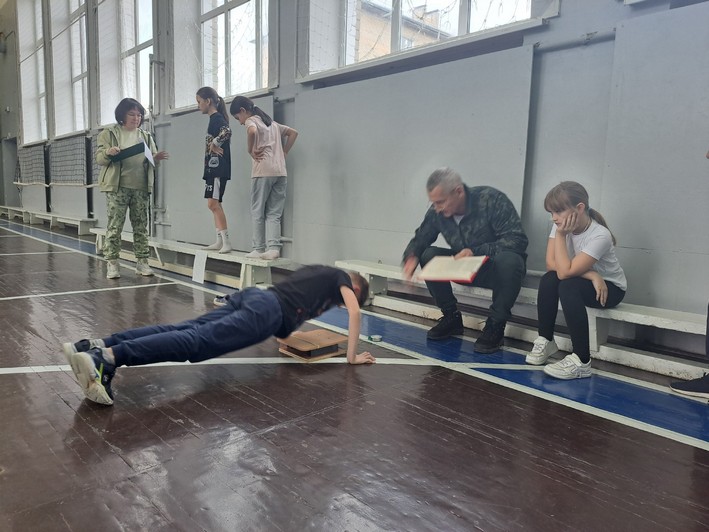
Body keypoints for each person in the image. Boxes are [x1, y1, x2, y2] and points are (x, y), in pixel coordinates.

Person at [62, 265, 376, 405]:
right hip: (265, 311)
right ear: (354, 287)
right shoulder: (339, 277)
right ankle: (106, 359)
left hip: (256, 298)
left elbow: (285, 320)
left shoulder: (316, 275)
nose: (340, 303)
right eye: (345, 297)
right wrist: (351, 358)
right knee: (197, 343)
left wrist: (288, 338)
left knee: (184, 329)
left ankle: (97, 345)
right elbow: (355, 312)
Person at [402, 167, 528, 353]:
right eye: (433, 203)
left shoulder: (491, 200)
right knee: (428, 254)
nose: (437, 208)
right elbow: (421, 238)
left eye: (441, 202)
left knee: (511, 260)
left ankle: (495, 325)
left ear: (458, 191)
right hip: (464, 268)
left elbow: (517, 240)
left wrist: (475, 251)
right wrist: (410, 258)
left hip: (495, 271)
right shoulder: (437, 210)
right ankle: (451, 317)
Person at [526, 181, 627, 380]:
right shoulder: (559, 227)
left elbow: (565, 273)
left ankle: (582, 361)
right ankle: (546, 340)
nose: (554, 218)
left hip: (609, 289)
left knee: (567, 285)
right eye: (551, 212)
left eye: (558, 211)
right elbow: (551, 264)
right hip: (590, 281)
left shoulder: (600, 235)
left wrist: (561, 236)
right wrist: (592, 274)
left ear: (579, 208)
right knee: (549, 279)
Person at [96, 98, 169, 279]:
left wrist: (156, 158)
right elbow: (99, 159)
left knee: (141, 226)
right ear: (122, 115)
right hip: (117, 187)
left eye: (139, 115)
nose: (136, 118)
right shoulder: (109, 133)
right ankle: (112, 263)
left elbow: (152, 160)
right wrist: (108, 152)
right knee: (115, 226)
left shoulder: (146, 136)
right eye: (132, 114)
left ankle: (142, 262)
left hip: (140, 187)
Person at [230, 96, 298, 260]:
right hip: (280, 172)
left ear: (243, 111)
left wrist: (250, 150)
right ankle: (274, 248)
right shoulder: (272, 124)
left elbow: (252, 131)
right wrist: (285, 151)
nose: (240, 122)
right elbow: (293, 133)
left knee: (257, 210)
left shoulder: (251, 121)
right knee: (274, 213)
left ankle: (259, 248)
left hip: (263, 172)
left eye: (238, 118)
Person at [196, 87, 233, 253]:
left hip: (218, 168)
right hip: (212, 168)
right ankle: (219, 239)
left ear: (208, 101)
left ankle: (226, 241)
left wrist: (215, 142)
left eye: (199, 102)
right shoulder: (213, 119)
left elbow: (227, 131)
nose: (198, 105)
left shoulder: (217, 118)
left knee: (213, 203)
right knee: (213, 204)